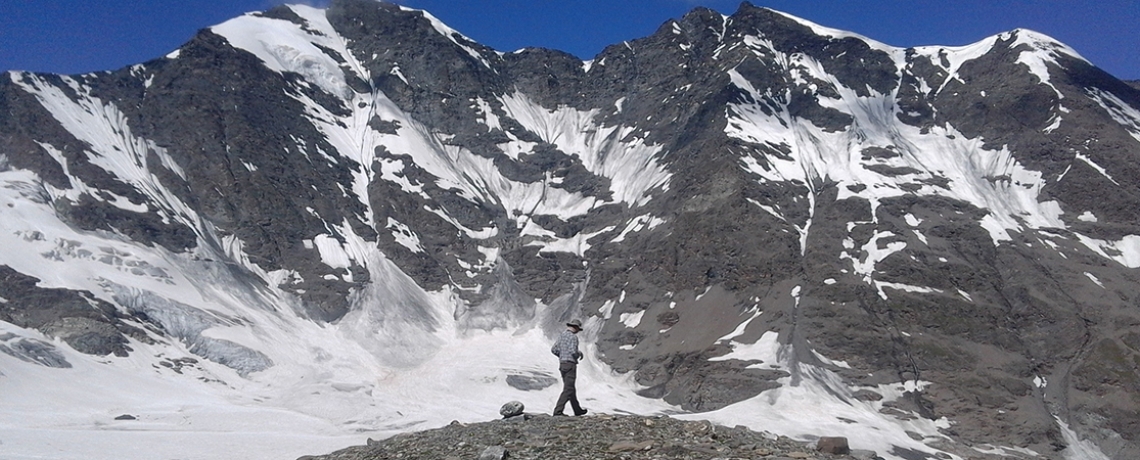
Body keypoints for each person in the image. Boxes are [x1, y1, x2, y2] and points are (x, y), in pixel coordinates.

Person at [550, 319, 587, 416]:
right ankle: (558, 411)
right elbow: (573, 351)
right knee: (568, 389)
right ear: (575, 328)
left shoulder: (561, 336)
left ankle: (577, 410)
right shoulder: (573, 337)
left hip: (562, 364)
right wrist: (578, 354)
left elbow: (554, 349)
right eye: (578, 329)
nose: (578, 331)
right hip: (570, 364)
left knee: (570, 387)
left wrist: (562, 355)